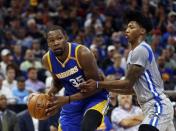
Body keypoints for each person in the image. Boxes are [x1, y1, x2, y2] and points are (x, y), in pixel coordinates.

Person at [80, 10, 175, 131]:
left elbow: (127, 83)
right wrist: (103, 87)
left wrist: (99, 84)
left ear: (142, 31)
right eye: (127, 27)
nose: (127, 30)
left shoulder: (141, 49)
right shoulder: (132, 54)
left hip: (157, 105)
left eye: (131, 27)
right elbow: (130, 89)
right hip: (149, 107)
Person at [42, 25, 108, 131]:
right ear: (48, 43)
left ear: (66, 38)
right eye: (51, 40)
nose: (56, 43)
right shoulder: (47, 60)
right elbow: (58, 82)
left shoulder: (82, 53)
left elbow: (97, 86)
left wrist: (67, 99)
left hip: (95, 97)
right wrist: (50, 93)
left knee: (87, 127)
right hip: (72, 101)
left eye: (59, 38)